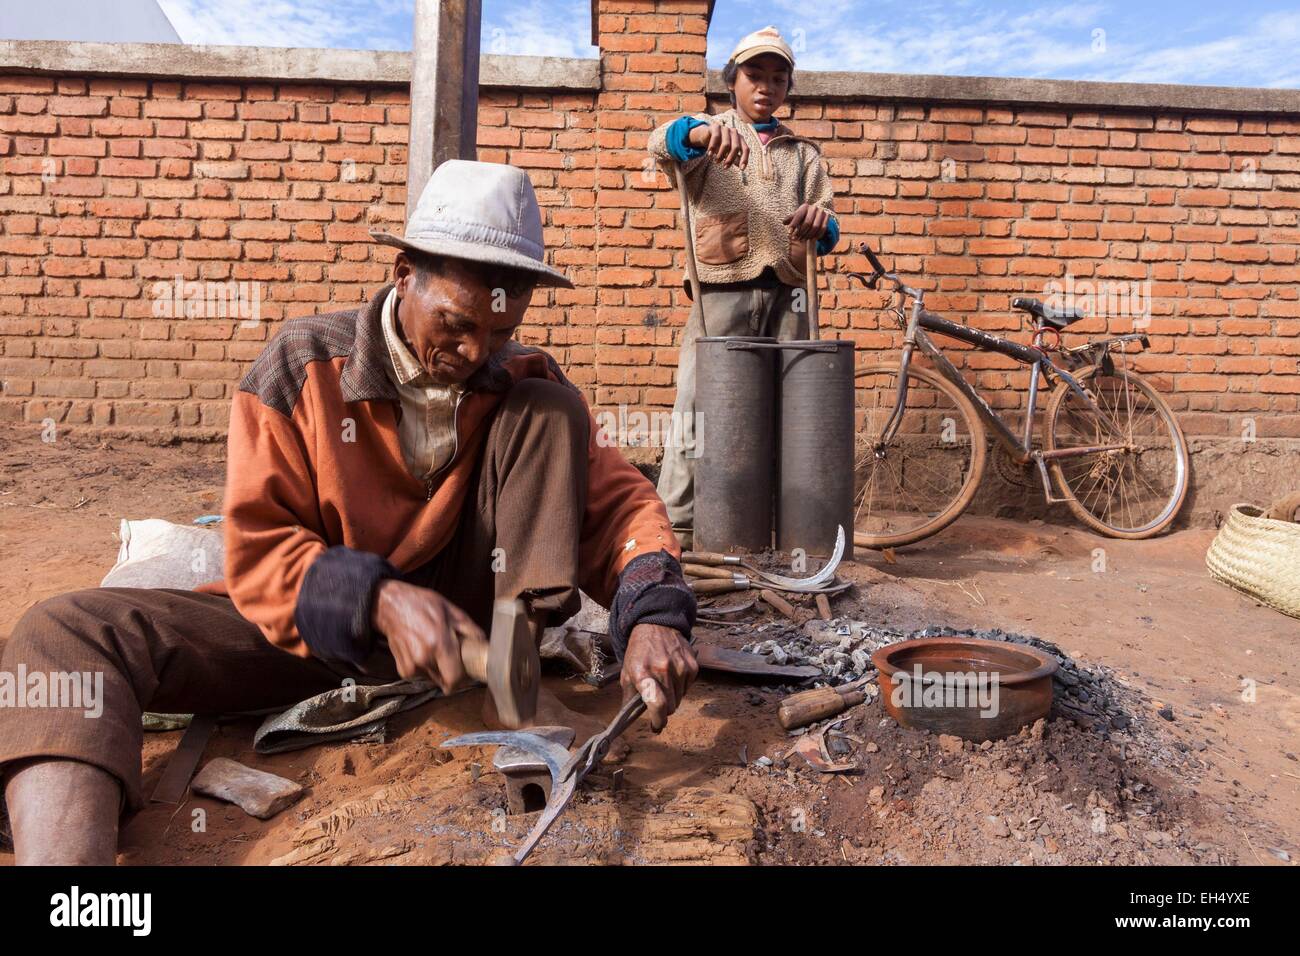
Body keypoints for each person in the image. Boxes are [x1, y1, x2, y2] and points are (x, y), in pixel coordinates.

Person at [0, 160, 698, 865]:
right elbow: (260, 549)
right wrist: (377, 599)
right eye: (456, 325)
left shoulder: (521, 380)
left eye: (499, 330)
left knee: (552, 410)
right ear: (404, 275)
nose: (476, 352)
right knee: (65, 633)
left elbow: (620, 507)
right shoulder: (300, 364)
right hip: (311, 629)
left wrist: (653, 616)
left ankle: (515, 695)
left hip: (471, 630)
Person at [649, 26, 839, 544]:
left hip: (790, 293)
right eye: (754, 76)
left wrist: (821, 225)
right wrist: (697, 132)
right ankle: (677, 530)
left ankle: (776, 529)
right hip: (720, 291)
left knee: (788, 408)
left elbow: (829, 228)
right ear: (731, 81)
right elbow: (660, 144)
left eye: (778, 79)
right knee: (696, 404)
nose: (766, 87)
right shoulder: (708, 137)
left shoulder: (803, 154)